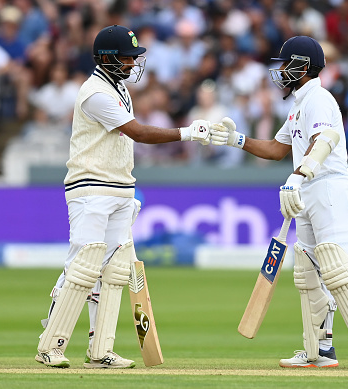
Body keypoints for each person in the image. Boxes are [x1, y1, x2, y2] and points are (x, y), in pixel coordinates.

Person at [35, 24, 217, 369]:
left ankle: (100, 351)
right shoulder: (95, 93)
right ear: (106, 58)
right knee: (83, 267)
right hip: (91, 186)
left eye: (135, 57)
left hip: (120, 187)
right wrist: (188, 132)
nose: (133, 63)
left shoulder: (118, 88)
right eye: (127, 57)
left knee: (113, 271)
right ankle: (51, 346)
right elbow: (137, 132)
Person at [210, 36, 348, 368]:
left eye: (284, 65)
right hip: (307, 189)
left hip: (328, 188)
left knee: (337, 268)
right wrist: (236, 140)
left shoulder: (319, 99)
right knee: (309, 272)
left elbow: (324, 141)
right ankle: (318, 350)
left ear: (302, 67)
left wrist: (298, 176)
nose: (279, 71)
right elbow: (278, 150)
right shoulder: (298, 106)